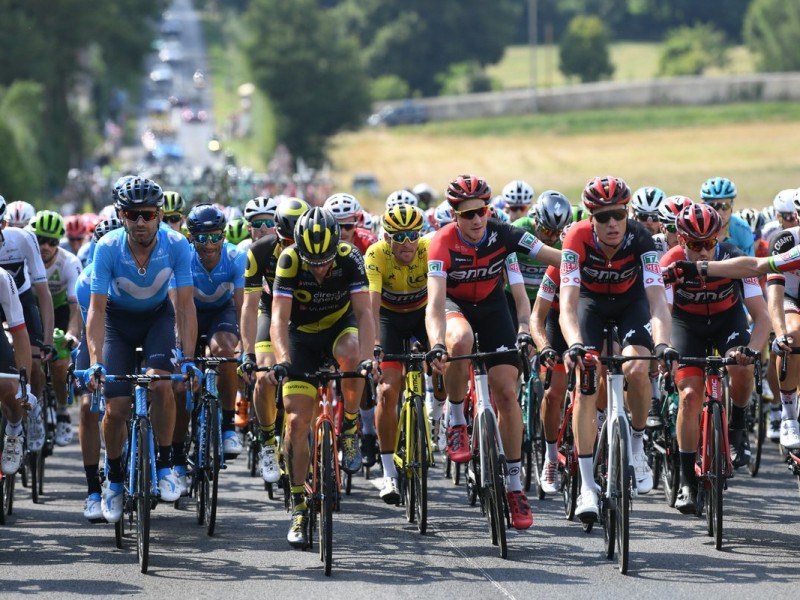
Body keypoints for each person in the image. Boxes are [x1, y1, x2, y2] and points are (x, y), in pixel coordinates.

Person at [426, 174, 562, 531]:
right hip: (455, 306)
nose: (475, 220)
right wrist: (437, 343)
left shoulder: (504, 234)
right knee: (460, 341)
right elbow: (436, 304)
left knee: (505, 391)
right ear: (454, 215)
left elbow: (556, 257)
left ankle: (515, 486)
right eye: (467, 214)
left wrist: (603, 264)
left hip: (490, 307)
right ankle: (456, 419)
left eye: (481, 211)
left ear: (489, 210)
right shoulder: (441, 243)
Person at [559, 175, 675, 523]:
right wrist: (575, 343)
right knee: (586, 379)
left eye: (618, 215)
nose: (612, 224)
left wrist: (663, 344)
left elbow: (657, 301)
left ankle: (637, 447)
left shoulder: (641, 239)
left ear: (627, 214)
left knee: (638, 368)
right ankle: (587, 486)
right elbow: (567, 303)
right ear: (590, 218)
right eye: (603, 216)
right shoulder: (575, 238)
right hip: (591, 304)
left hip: (630, 303)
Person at [85, 177, 198, 523]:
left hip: (156, 320)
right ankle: (115, 480)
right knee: (116, 409)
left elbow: (184, 306)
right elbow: (96, 310)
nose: (140, 222)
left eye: (147, 214)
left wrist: (190, 359)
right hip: (116, 324)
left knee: (162, 384)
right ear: (120, 215)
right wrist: (95, 363)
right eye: (132, 214)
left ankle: (164, 463)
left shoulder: (177, 245)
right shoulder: (106, 248)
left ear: (160, 215)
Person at [266, 207, 375, 548]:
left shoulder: (349, 257)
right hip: (300, 338)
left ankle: (351, 426)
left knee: (354, 352)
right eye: (312, 262)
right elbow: (278, 319)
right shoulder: (289, 260)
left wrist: (371, 357)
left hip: (340, 329)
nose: (319, 268)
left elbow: (364, 311)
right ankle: (299, 505)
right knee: (297, 422)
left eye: (325, 260)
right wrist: (282, 360)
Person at [660, 203, 769, 512]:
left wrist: (751, 350)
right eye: (695, 245)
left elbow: (761, 317)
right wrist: (664, 347)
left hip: (728, 322)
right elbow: (662, 315)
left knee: (741, 368)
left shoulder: (735, 258)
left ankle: (736, 427)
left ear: (718, 238)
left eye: (709, 243)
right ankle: (686, 481)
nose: (704, 252)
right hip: (686, 326)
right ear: (681, 241)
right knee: (690, 397)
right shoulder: (669, 262)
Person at [170, 204, 246, 493]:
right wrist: (181, 351)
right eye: (201, 238)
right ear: (191, 237)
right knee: (180, 384)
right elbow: (179, 309)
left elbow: (242, 308)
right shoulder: (184, 258)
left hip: (221, 314)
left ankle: (227, 424)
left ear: (224, 235)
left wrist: (244, 350)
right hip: (188, 313)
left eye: (215, 237)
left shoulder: (237, 257)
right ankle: (176, 454)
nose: (209, 244)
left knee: (226, 352)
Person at [365, 204, 433, 504]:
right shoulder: (376, 254)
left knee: (447, 362)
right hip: (389, 319)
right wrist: (376, 345)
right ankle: (389, 471)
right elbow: (371, 306)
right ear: (386, 236)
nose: (407, 242)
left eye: (413, 235)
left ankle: (442, 415)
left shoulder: (429, 249)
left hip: (422, 315)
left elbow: (441, 295)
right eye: (399, 236)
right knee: (388, 392)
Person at [239, 197, 310, 484]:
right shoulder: (259, 251)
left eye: (298, 240)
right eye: (285, 239)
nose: (292, 246)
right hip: (271, 310)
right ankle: (268, 440)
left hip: (307, 313)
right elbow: (249, 305)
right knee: (265, 374)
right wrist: (247, 353)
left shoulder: (320, 248)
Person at [0, 195, 54, 450]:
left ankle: (33, 412)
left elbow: (42, 292)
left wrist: (47, 341)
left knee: (33, 362)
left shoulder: (22, 239)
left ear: (4, 224)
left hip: (19, 297)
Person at [29, 210, 83, 446]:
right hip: (33, 312)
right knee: (32, 363)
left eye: (51, 242)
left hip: (61, 314)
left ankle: (62, 410)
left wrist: (72, 334)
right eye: (40, 240)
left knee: (61, 364)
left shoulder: (69, 262)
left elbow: (75, 308)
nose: (45, 247)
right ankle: (34, 411)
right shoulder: (25, 259)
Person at [0, 267, 34, 477]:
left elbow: (19, 332)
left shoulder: (3, 278)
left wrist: (26, 386)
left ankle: (14, 430)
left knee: (10, 388)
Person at [699, 176, 754, 256]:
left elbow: (750, 265)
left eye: (725, 206)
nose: (720, 212)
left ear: (732, 206)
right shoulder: (696, 227)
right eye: (714, 205)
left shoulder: (743, 229)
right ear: (703, 205)